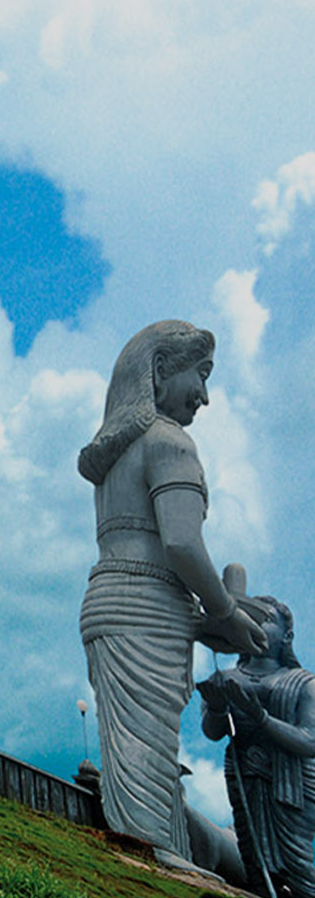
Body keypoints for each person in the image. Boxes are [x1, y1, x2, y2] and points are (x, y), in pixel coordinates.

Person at [77, 320, 265, 866]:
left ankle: (163, 850)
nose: (205, 396)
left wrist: (212, 616)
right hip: (145, 612)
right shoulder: (168, 441)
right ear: (159, 371)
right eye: (200, 374)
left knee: (143, 752)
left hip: (113, 601)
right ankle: (157, 855)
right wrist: (226, 612)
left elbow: (157, 558)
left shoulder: (114, 459)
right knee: (147, 752)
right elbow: (181, 544)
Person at [200, 595, 315, 896]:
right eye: (248, 616)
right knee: (253, 856)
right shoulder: (225, 677)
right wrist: (215, 708)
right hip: (244, 774)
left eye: (264, 618)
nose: (255, 622)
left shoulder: (302, 683)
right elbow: (214, 732)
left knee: (298, 861)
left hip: (292, 783)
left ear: (287, 636)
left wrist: (261, 717)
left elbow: (309, 741)